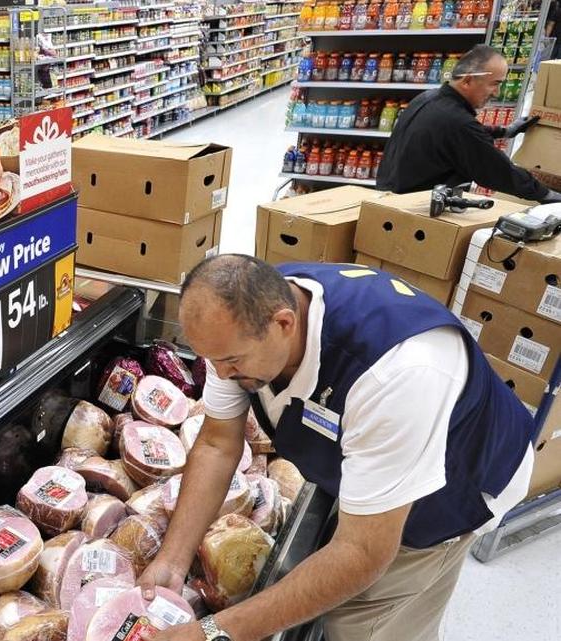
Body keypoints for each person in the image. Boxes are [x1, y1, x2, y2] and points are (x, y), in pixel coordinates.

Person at [138, 254, 537, 641]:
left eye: (231, 361)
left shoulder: (394, 376)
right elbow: (216, 444)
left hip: (455, 484)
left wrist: (215, 631)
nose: (221, 374)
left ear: (284, 323)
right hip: (378, 444)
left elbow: (364, 552)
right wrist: (171, 561)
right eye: (213, 360)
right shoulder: (245, 316)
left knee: (364, 622)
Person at [377, 44, 561, 203]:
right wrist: (549, 196)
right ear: (467, 80)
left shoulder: (428, 98)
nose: (497, 93)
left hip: (389, 196)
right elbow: (499, 171)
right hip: (417, 211)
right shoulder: (458, 122)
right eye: (494, 84)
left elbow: (458, 136)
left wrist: (506, 131)